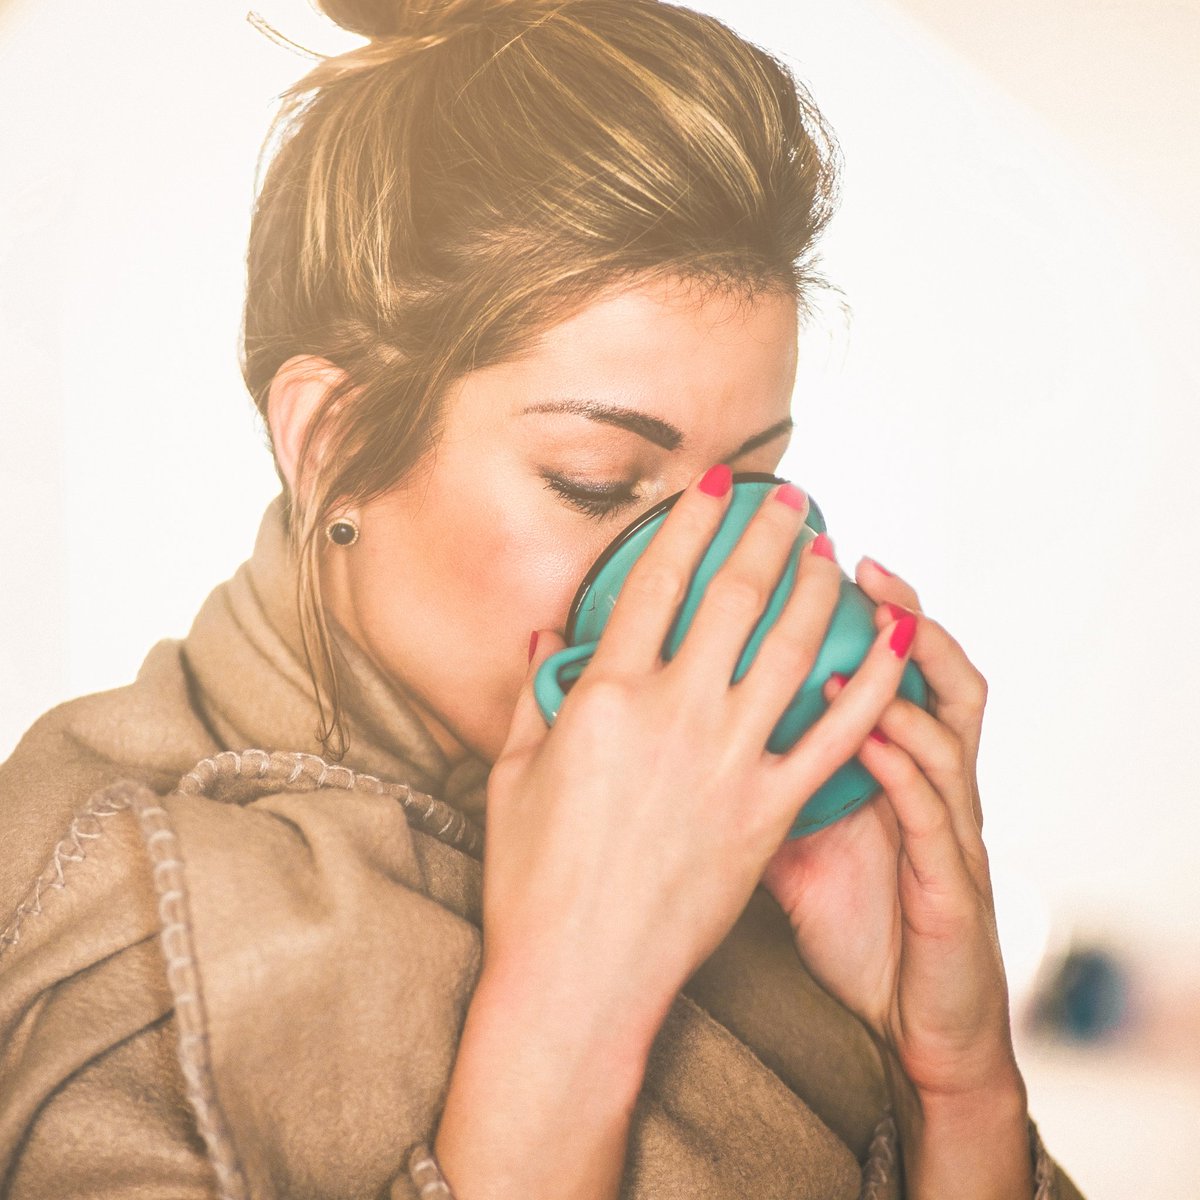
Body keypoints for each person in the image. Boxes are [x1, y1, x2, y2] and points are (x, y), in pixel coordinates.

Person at [0, 0, 1086, 1196]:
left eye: (749, 491)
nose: (699, 580)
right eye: (598, 483)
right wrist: (574, 1004)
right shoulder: (102, 910)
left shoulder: (765, 869)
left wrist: (957, 1082)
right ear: (332, 445)